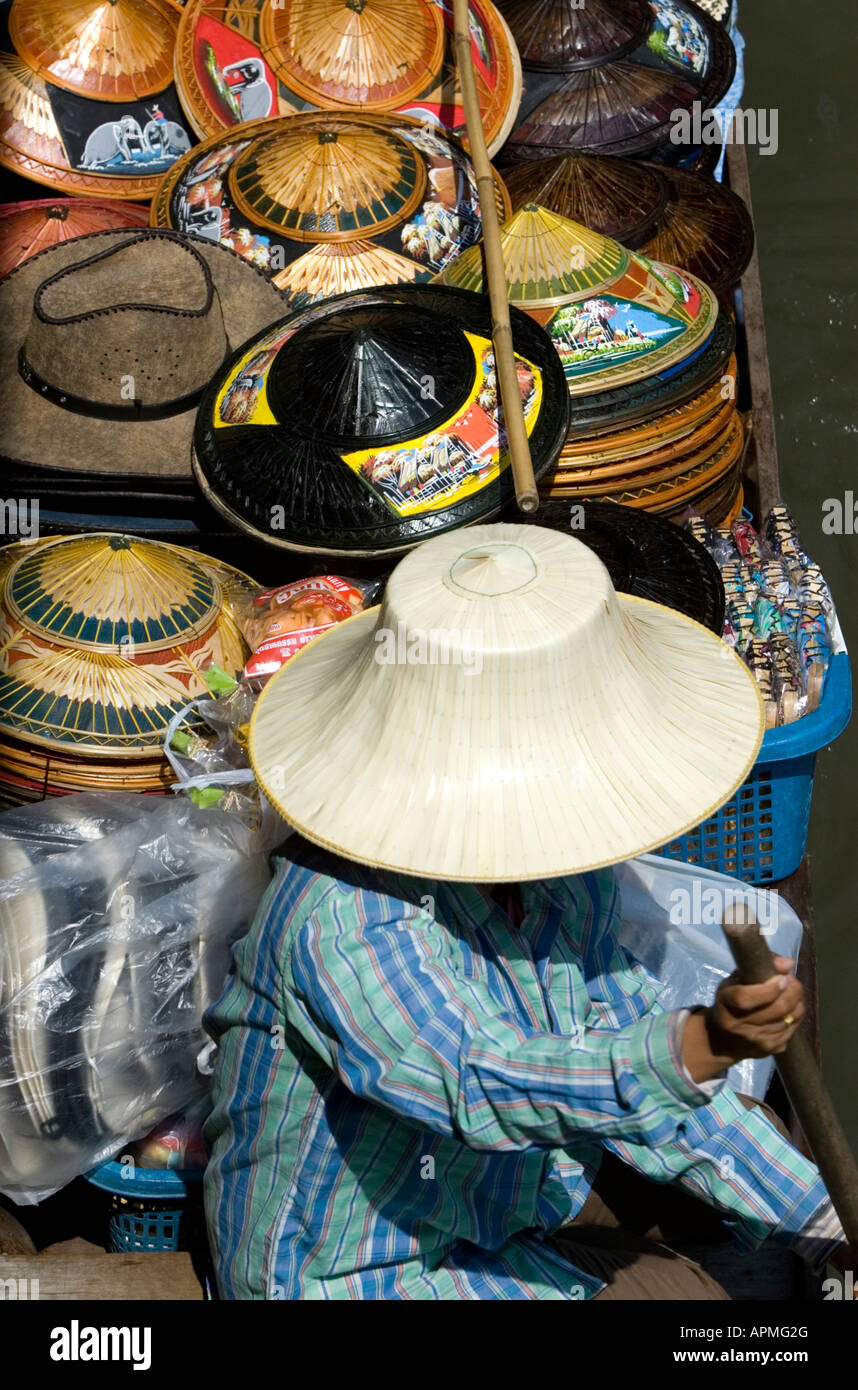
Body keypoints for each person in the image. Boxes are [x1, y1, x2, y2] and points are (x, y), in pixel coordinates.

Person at [204, 525, 853, 1299]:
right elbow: (470, 1081)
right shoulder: (339, 914)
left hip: (493, 1200)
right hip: (350, 1272)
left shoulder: (566, 879)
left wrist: (828, 1227)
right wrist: (699, 1043)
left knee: (757, 1168)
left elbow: (630, 1055)